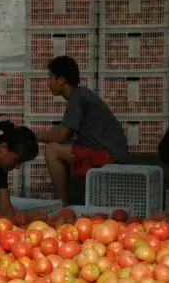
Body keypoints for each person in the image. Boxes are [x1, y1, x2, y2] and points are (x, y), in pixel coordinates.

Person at [34, 56, 130, 206]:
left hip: (110, 157)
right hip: (107, 152)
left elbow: (61, 136)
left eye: (51, 77)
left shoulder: (78, 99)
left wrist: (34, 136)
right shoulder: (81, 95)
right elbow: (64, 133)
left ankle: (64, 206)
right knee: (64, 148)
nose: (49, 82)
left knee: (52, 150)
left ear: (61, 80)